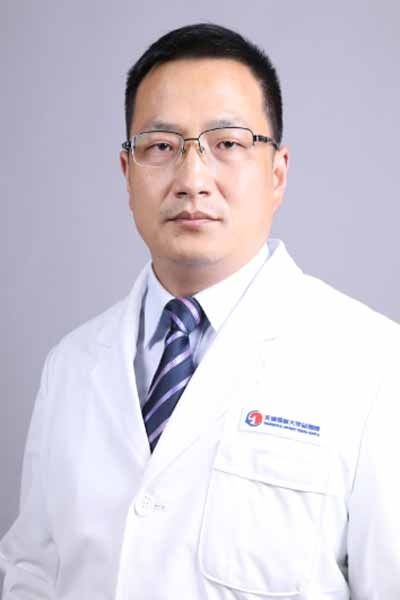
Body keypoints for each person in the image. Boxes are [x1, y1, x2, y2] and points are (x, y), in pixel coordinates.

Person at [0, 22, 399, 600]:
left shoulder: (374, 364)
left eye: (228, 144)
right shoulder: (70, 365)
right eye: (161, 146)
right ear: (127, 173)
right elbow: (32, 572)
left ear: (278, 172)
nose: (192, 179)